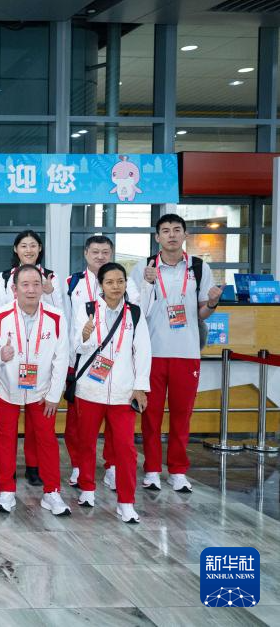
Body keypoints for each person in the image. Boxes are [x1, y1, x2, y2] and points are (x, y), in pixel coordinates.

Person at [130, 214, 221, 493]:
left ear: (184, 235)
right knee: (151, 416)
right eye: (166, 230)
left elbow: (201, 312)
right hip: (152, 353)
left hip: (187, 352)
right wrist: (146, 284)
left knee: (182, 415)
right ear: (157, 237)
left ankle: (178, 471)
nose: (171, 235)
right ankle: (152, 470)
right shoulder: (144, 267)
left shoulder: (199, 267)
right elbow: (135, 311)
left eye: (176, 230)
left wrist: (213, 303)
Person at [0, 264, 71, 516]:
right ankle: (6, 491)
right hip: (7, 388)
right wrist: (0, 354)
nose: (31, 290)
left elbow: (61, 359)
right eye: (25, 285)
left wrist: (54, 395)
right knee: (5, 440)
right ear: (14, 289)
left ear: (42, 287)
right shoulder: (0, 315)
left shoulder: (56, 317)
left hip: (42, 391)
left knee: (47, 440)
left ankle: (52, 492)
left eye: (36, 284)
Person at [69, 262, 151, 523]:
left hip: (123, 393)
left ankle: (126, 502)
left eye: (120, 281)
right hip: (90, 390)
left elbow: (143, 351)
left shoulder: (134, 313)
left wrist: (140, 387)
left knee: (126, 449)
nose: (116, 287)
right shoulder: (87, 310)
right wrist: (85, 336)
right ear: (101, 285)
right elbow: (77, 348)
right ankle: (87, 488)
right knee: (86, 442)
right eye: (110, 282)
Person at [0, 229, 62, 487]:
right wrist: (0, 353)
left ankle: (37, 470)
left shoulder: (51, 280)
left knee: (41, 431)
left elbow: (59, 319)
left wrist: (49, 292)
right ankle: (6, 484)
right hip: (9, 375)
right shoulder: (3, 280)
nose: (28, 250)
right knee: (6, 433)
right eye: (23, 245)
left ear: (40, 249)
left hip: (40, 375)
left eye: (33, 245)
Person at [63, 236, 138, 489]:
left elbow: (137, 317)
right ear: (86, 253)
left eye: (105, 252)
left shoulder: (126, 283)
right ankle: (78, 466)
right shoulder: (73, 283)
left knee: (116, 422)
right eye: (95, 251)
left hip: (118, 363)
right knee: (78, 422)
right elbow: (67, 320)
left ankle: (112, 466)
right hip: (82, 360)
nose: (100, 256)